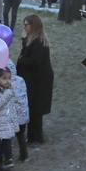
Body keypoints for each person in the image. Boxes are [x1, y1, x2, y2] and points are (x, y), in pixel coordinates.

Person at [16, 15, 54, 145]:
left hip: (39, 80)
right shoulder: (28, 40)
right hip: (30, 78)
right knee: (29, 105)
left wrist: (21, 60)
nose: (24, 27)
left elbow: (35, 61)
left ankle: (36, 137)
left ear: (34, 26)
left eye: (26, 25)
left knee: (36, 107)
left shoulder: (39, 43)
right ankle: (29, 136)